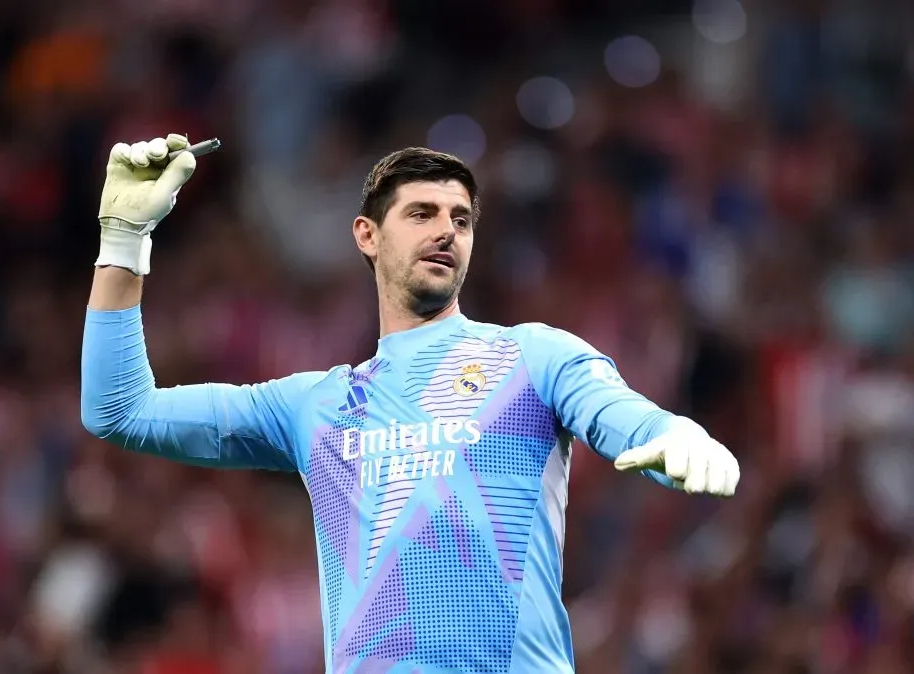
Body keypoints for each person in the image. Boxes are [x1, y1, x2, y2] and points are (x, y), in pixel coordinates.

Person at [81, 134, 740, 673]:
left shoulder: (533, 357)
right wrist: (123, 237)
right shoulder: (316, 405)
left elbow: (617, 412)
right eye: (420, 213)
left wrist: (672, 434)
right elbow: (119, 410)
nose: (446, 231)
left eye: (461, 219)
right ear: (367, 235)